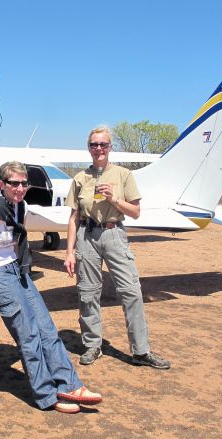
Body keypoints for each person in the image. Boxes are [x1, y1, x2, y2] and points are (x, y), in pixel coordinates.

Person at [0, 161, 102, 414]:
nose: (20, 188)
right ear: (3, 184)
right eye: (14, 184)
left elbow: (15, 242)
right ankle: (46, 395)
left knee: (46, 327)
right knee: (28, 334)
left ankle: (70, 385)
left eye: (24, 183)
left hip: (16, 271)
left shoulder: (19, 205)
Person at [64, 126, 170, 369]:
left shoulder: (123, 175)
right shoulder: (80, 178)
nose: (98, 149)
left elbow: (135, 213)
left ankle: (141, 352)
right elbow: (73, 218)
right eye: (94, 145)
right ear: (88, 148)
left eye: (103, 144)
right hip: (87, 235)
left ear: (110, 148)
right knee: (88, 292)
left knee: (131, 291)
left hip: (114, 234)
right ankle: (92, 345)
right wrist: (69, 252)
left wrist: (114, 199)